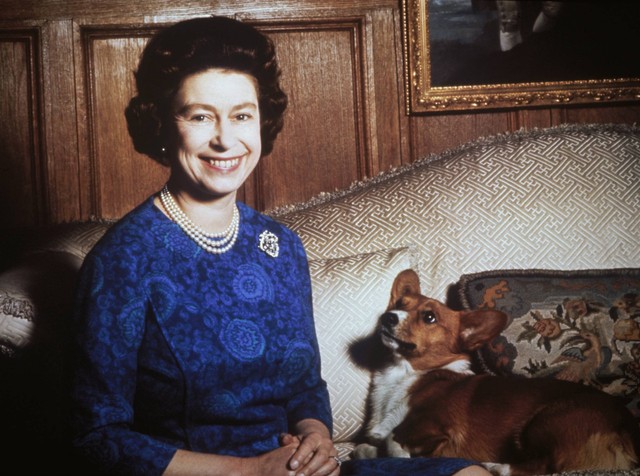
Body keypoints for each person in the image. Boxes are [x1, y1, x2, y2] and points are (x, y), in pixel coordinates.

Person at [69, 15, 491, 476]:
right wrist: (249, 471)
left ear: (261, 123)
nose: (225, 139)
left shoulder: (280, 247)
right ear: (164, 126)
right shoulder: (121, 260)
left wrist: (315, 437)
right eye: (200, 116)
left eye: (242, 116)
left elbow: (305, 388)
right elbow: (96, 438)